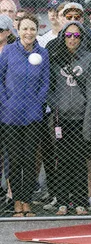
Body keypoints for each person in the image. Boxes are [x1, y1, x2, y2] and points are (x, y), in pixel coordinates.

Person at [0, 13, 50, 217]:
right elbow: (1, 79)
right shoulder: (9, 51)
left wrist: (37, 103)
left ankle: (26, 201)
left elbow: (45, 82)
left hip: (32, 115)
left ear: (37, 31)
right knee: (14, 158)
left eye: (32, 29)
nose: (29, 32)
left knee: (30, 159)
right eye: (25, 28)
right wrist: (6, 103)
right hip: (10, 115)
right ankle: (16, 201)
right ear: (18, 30)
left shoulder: (43, 53)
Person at [47, 21, 91, 215]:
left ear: (81, 38)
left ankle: (79, 201)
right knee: (62, 159)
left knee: (79, 160)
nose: (72, 39)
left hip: (80, 117)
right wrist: (56, 104)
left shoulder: (89, 58)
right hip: (60, 117)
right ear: (63, 37)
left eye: (76, 35)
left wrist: (88, 120)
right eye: (68, 35)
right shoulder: (55, 58)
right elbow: (48, 87)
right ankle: (62, 201)